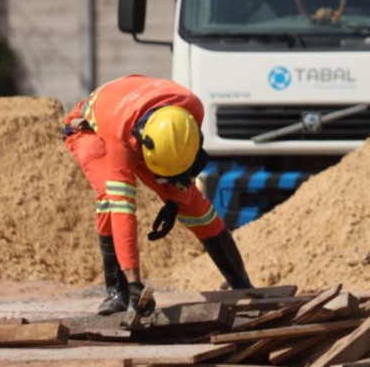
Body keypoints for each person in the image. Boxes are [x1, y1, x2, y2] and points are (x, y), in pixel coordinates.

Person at [64, 75, 254, 316]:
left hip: (142, 124)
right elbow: (123, 210)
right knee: (110, 201)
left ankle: (241, 284)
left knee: (196, 209)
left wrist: (176, 200)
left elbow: (182, 159)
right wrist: (135, 281)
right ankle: (118, 294)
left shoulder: (191, 107)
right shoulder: (120, 143)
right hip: (88, 130)